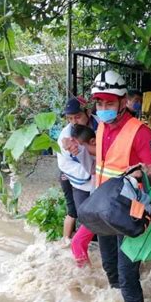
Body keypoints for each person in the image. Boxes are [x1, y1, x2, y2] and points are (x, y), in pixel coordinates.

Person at [91, 70, 151, 302]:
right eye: (99, 102)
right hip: (103, 209)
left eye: (108, 102)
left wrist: (138, 174)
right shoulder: (101, 126)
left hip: (129, 211)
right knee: (109, 264)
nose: (102, 107)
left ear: (123, 101)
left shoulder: (140, 132)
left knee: (127, 271)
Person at [57, 97, 98, 242]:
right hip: (78, 181)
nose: (74, 121)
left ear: (87, 112)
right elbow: (64, 164)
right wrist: (89, 172)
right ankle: (75, 243)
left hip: (100, 179)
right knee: (83, 215)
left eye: (78, 117)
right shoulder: (65, 136)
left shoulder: (102, 126)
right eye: (70, 118)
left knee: (101, 216)